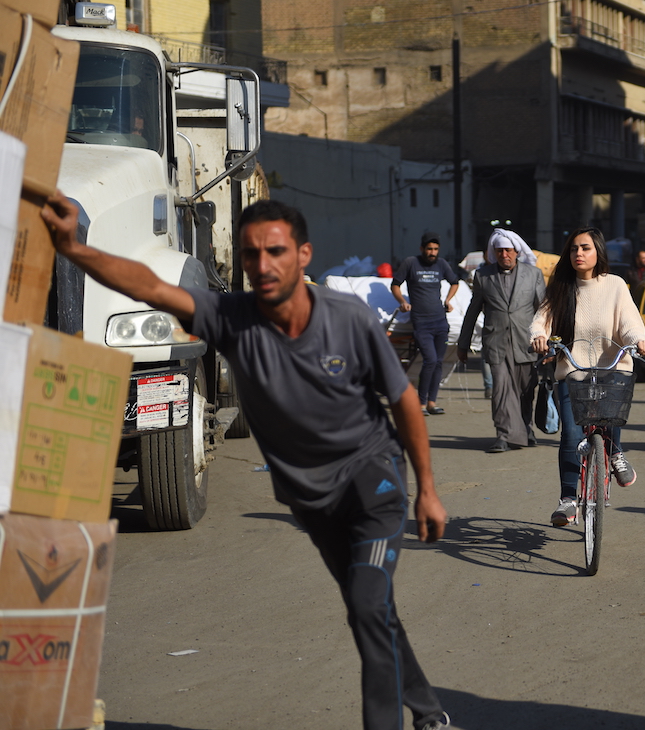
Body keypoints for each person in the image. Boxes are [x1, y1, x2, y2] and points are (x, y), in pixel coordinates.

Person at [40, 193, 452, 730]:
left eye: (275, 251)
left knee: (369, 607)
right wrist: (71, 247)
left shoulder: (348, 320)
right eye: (251, 254)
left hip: (372, 486)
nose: (262, 265)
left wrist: (427, 487)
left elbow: (402, 401)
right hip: (311, 501)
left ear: (303, 255)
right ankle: (427, 709)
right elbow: (148, 285)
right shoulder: (231, 317)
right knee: (368, 608)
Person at [530, 227, 645, 526]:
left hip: (611, 369)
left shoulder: (615, 285)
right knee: (571, 435)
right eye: (573, 249)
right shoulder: (560, 286)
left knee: (612, 417)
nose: (578, 254)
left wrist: (640, 341)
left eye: (585, 248)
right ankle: (568, 499)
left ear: (598, 252)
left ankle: (614, 453)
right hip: (572, 370)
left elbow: (629, 322)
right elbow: (541, 321)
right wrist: (538, 336)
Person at [458, 229, 546, 453]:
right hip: (496, 343)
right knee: (500, 389)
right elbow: (472, 311)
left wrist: (547, 341)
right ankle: (504, 435)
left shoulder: (533, 274)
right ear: (493, 253)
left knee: (526, 389)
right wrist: (463, 343)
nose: (504, 255)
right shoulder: (483, 276)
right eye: (499, 251)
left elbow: (543, 311)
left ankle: (525, 428)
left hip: (526, 343)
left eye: (507, 250)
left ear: (516, 251)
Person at [391, 232, 460, 415]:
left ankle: (432, 402)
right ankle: (420, 403)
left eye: (435, 249)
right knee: (429, 360)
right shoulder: (411, 263)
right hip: (422, 322)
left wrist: (448, 300)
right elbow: (395, 284)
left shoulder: (442, 264)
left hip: (440, 322)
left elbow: (455, 282)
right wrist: (402, 302)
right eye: (429, 249)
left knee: (438, 362)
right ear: (422, 249)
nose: (432, 252)